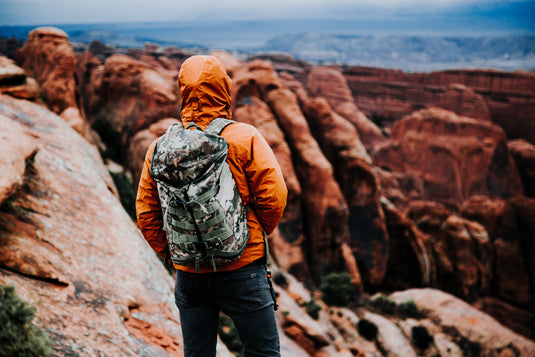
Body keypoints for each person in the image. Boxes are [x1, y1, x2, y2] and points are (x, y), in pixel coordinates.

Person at [136, 55, 288, 357]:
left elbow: (146, 212)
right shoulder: (244, 138)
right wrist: (252, 234)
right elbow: (274, 196)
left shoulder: (160, 147)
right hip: (243, 267)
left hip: (190, 274)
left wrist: (173, 253)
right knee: (263, 353)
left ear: (182, 91)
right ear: (223, 89)